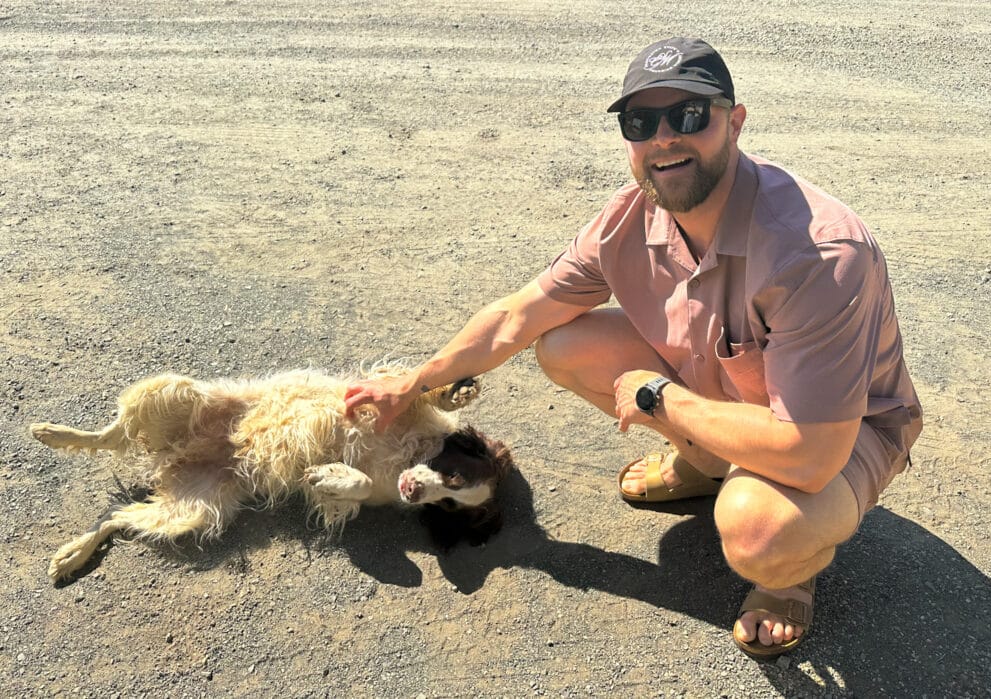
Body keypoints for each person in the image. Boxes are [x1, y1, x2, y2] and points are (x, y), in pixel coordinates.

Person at [344, 36, 923, 658]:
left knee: (758, 530)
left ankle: (788, 581)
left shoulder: (817, 253)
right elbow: (517, 316)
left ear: (735, 120)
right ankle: (708, 466)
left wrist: (658, 399)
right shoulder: (627, 220)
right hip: (729, 391)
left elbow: (811, 454)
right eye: (641, 121)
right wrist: (415, 382)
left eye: (690, 115)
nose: (664, 137)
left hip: (840, 433)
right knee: (565, 343)